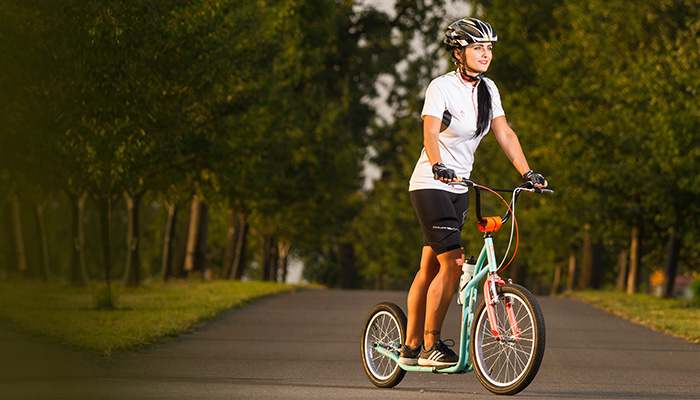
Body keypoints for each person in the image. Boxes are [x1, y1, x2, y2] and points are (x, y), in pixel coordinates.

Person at [398, 17, 547, 367]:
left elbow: (505, 133)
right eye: (478, 47)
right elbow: (430, 134)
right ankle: (432, 345)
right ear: (458, 51)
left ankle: (410, 344)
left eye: (489, 48)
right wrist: (437, 165)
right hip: (431, 183)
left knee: (429, 267)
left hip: (461, 186)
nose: (485, 54)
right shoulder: (441, 87)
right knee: (452, 263)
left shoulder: (489, 90)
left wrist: (527, 172)